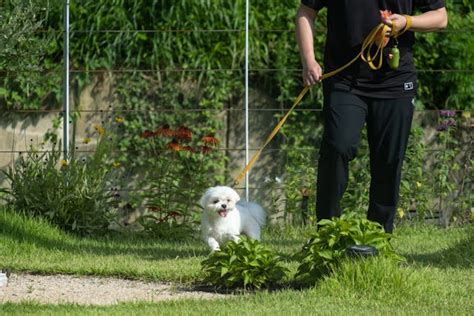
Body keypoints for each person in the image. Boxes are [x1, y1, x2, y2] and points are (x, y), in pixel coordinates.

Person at [295, 0, 448, 232]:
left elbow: (440, 17)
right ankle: (327, 231)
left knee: (389, 159)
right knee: (338, 146)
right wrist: (309, 60)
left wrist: (407, 22)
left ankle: (379, 237)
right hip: (344, 79)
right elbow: (306, 12)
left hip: (396, 81)